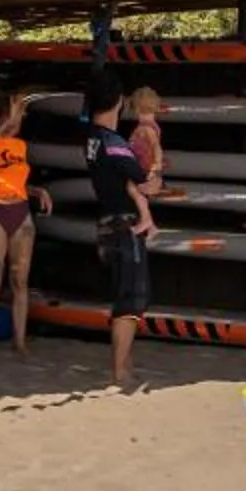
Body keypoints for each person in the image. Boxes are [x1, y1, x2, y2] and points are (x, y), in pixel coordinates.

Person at [83, 77, 159, 391]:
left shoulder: (91, 138)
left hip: (104, 223)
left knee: (121, 298)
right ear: (118, 103)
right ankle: (120, 373)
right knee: (130, 302)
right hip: (124, 226)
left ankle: (124, 366)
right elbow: (143, 182)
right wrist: (155, 175)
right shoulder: (114, 141)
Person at [0, 92, 52, 357]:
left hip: (20, 209)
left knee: (19, 279)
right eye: (15, 115)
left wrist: (36, 190)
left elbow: (13, 179)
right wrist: (11, 117)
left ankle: (20, 342)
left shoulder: (20, 146)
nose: (19, 121)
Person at [126, 86, 169, 198]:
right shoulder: (152, 126)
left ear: (137, 110)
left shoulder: (145, 128)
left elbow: (156, 146)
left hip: (144, 168)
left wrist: (156, 165)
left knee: (131, 188)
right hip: (144, 166)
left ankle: (144, 212)